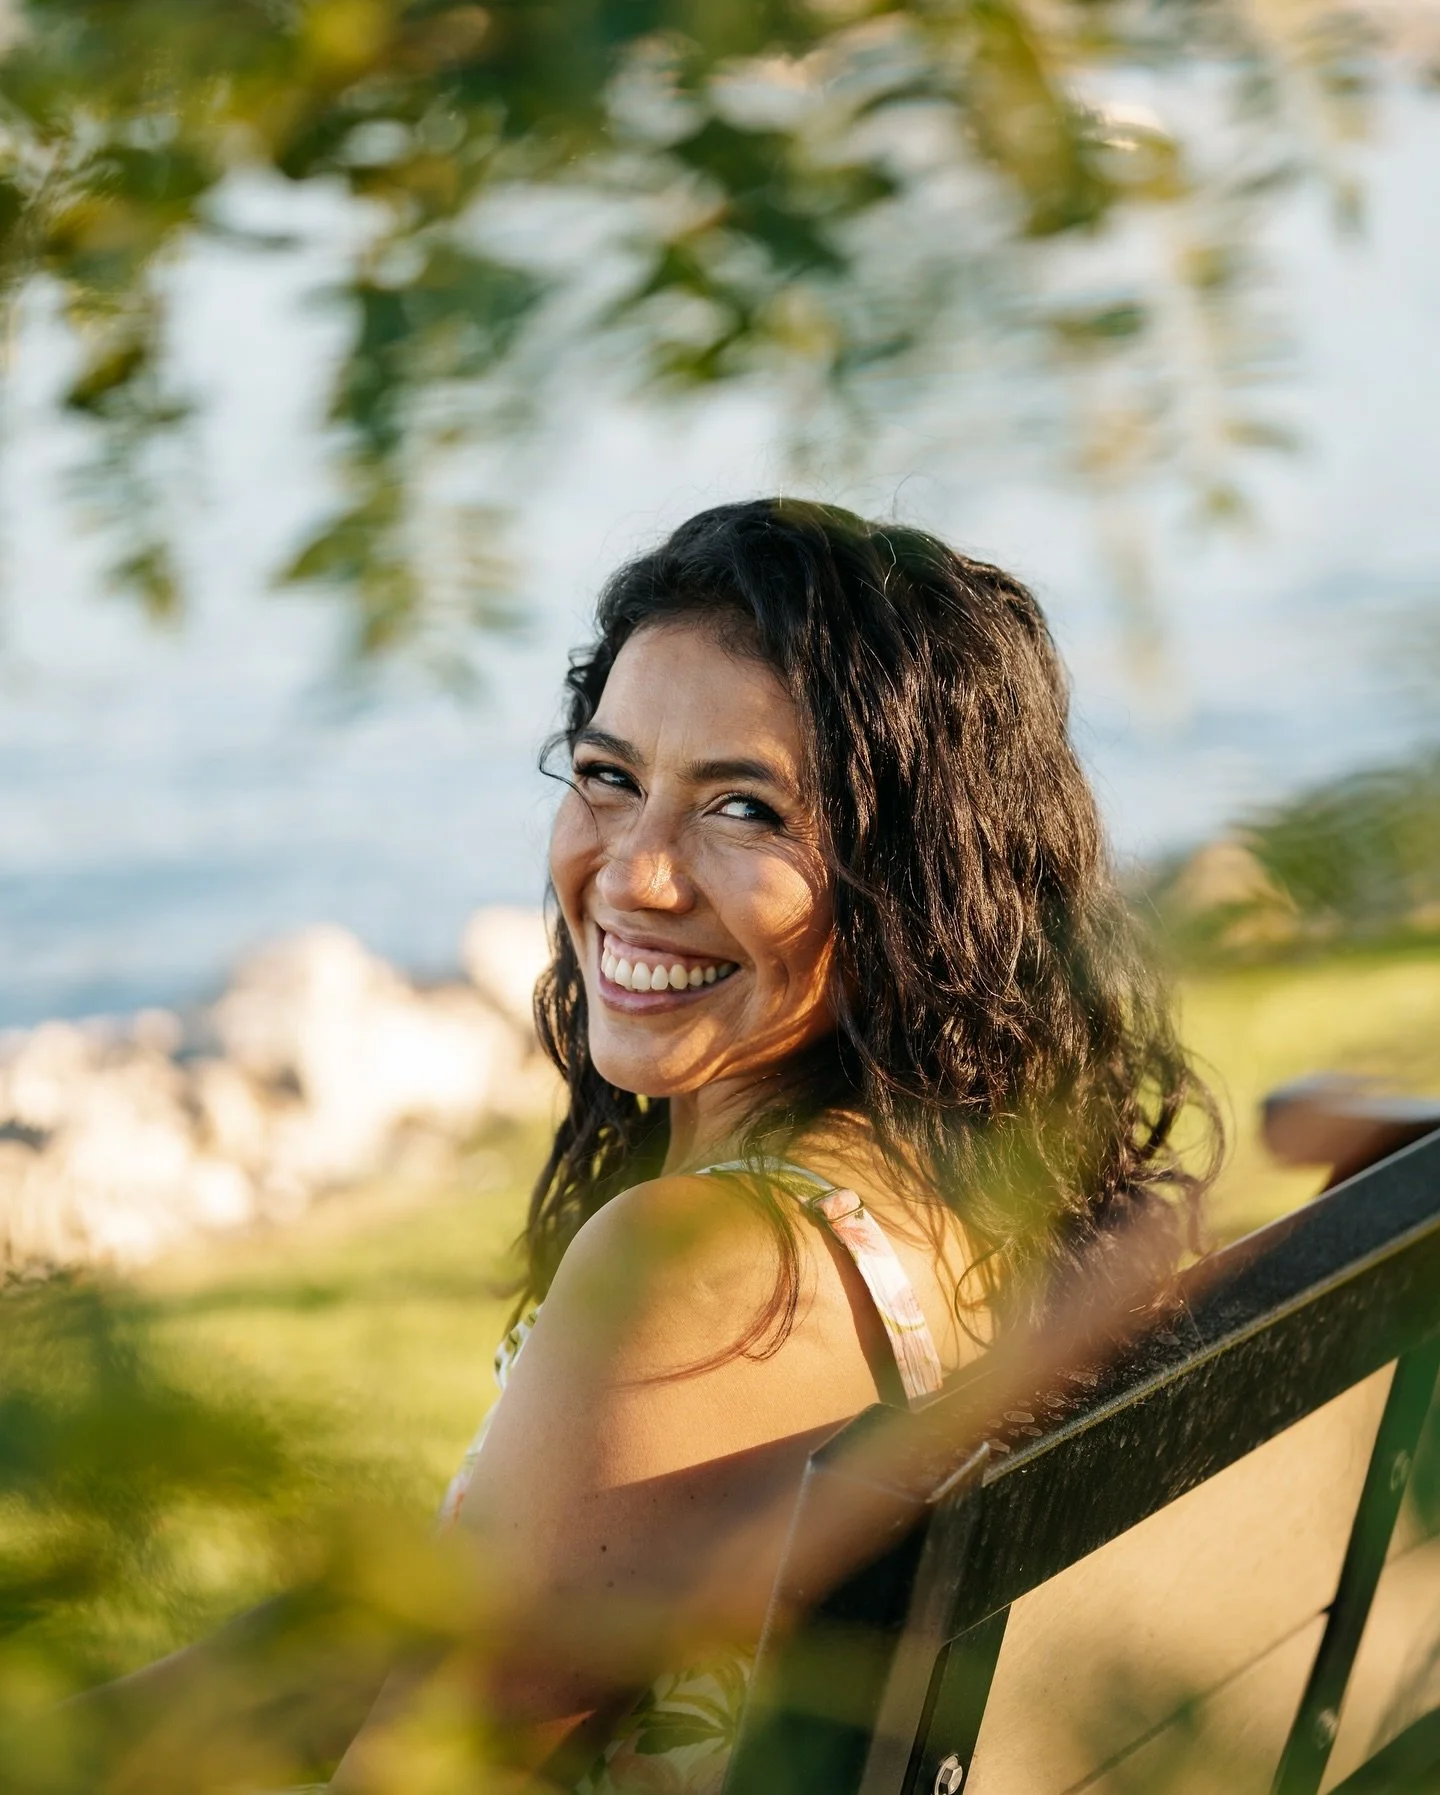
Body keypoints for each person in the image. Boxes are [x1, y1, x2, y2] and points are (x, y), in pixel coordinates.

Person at [329, 498, 1220, 1793]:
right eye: (610, 775)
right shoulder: (969, 1197)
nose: (637, 874)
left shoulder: (704, 1268)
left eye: (744, 810)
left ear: (913, 877)